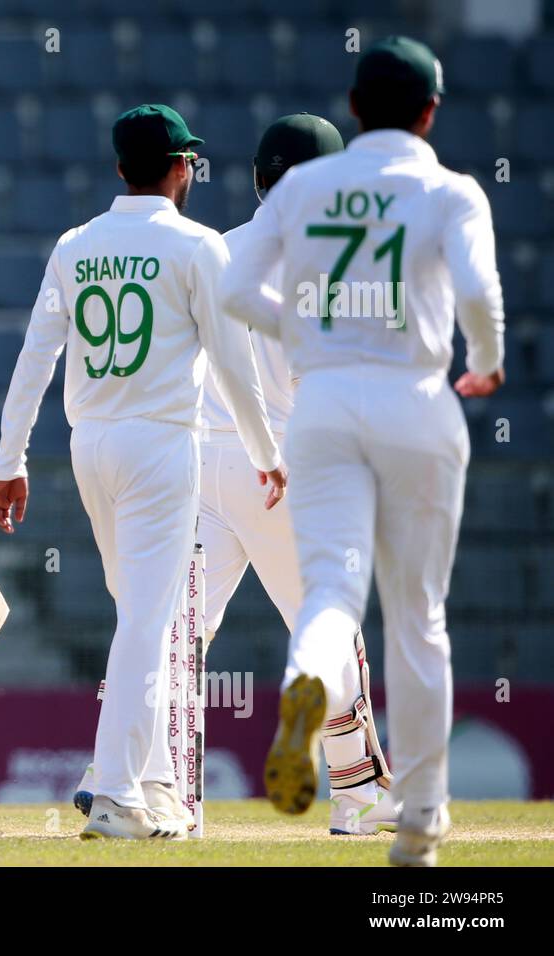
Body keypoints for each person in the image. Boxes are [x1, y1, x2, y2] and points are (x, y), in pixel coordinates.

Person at [73, 114, 400, 837]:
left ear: (256, 181)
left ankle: (135, 781)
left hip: (197, 465)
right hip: (289, 470)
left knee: (166, 631)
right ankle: (357, 795)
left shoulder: (216, 249)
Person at [221, 37, 505, 866]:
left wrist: (305, 336)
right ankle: (418, 820)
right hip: (416, 398)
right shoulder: (451, 191)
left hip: (324, 405)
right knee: (419, 618)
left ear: (353, 106)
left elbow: (237, 290)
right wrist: (483, 366)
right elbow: (482, 299)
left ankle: (306, 687)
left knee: (331, 597)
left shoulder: (304, 186)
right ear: (429, 112)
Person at [0, 104, 285, 840]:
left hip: (91, 448)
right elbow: (233, 364)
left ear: (121, 167)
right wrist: (266, 452)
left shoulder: (75, 245)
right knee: (151, 625)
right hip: (160, 447)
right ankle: (117, 794)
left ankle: (151, 785)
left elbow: (36, 357)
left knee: (142, 618)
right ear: (182, 165)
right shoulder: (198, 246)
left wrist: (9, 459)